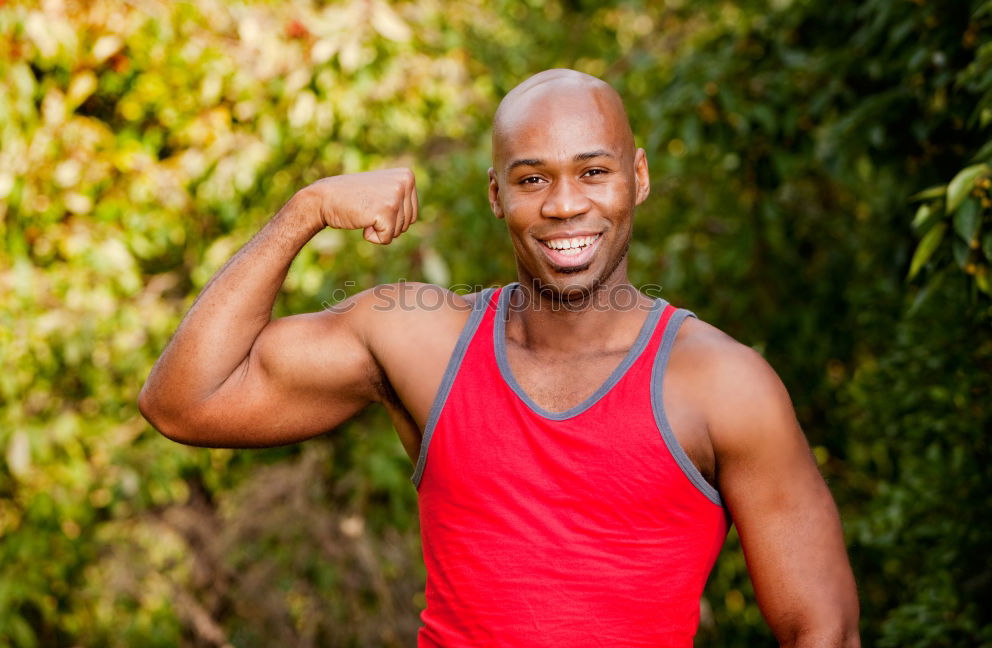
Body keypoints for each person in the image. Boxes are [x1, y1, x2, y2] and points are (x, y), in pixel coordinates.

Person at [139, 69, 860, 647]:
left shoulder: (722, 385)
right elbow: (182, 402)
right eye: (531, 178)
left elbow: (822, 629)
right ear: (496, 194)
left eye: (593, 172)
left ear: (637, 178)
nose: (563, 205)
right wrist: (305, 210)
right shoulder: (422, 342)